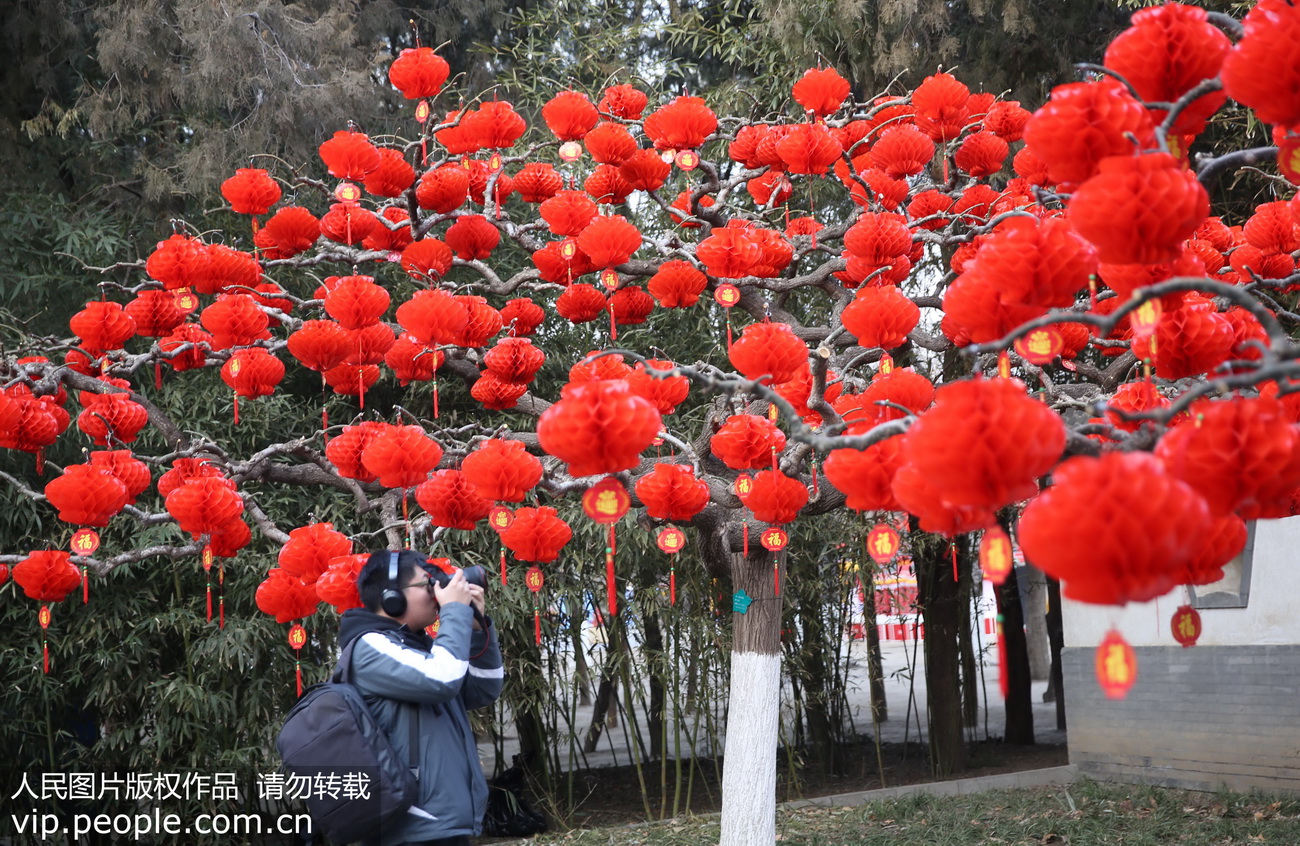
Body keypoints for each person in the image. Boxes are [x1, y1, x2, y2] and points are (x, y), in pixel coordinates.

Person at [339, 549, 504, 846]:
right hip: (411, 821)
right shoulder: (369, 645)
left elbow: (483, 689)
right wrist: (455, 612)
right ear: (392, 597)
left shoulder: (418, 646)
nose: (436, 592)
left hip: (442, 818)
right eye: (427, 584)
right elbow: (442, 680)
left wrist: (477, 628)